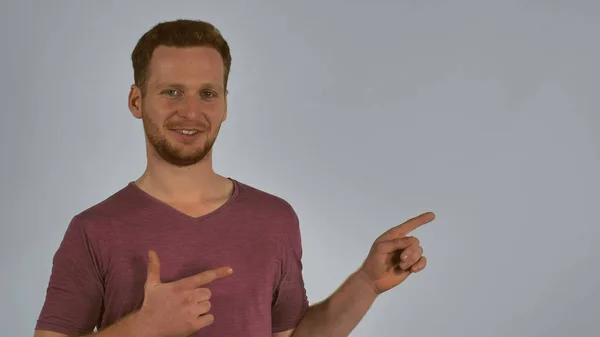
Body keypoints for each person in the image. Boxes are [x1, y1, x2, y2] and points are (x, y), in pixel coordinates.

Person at [33, 19, 434, 337]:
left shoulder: (274, 219)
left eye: (207, 94)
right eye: (172, 92)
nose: (191, 111)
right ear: (137, 101)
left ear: (225, 104)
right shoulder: (93, 230)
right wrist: (142, 329)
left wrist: (366, 283)